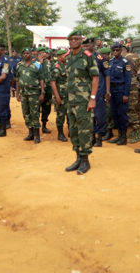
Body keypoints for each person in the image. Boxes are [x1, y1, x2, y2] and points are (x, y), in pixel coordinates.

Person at [64, 30, 99, 174]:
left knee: (84, 131)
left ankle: (85, 160)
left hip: (84, 101)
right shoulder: (68, 58)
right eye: (71, 39)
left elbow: (95, 77)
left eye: (76, 38)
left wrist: (92, 99)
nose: (74, 41)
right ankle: (78, 157)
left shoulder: (87, 56)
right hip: (71, 101)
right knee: (73, 131)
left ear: (81, 40)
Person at [82, 38, 111, 147]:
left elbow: (107, 74)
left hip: (99, 91)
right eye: (84, 46)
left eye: (87, 46)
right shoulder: (83, 57)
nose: (85, 48)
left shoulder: (99, 58)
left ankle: (100, 137)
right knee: (90, 115)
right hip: (86, 91)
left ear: (93, 46)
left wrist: (107, 91)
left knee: (99, 115)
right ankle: (92, 136)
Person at [16, 48, 45, 144]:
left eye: (27, 53)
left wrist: (42, 92)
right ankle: (30, 133)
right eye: (24, 53)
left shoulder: (37, 65)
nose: (26, 55)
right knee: (26, 113)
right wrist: (17, 93)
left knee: (35, 113)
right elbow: (17, 79)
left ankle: (37, 135)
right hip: (23, 94)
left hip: (34, 94)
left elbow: (41, 79)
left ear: (31, 54)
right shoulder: (19, 65)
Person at [108, 42, 132, 146]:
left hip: (121, 90)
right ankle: (119, 135)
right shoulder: (111, 62)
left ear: (121, 50)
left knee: (122, 114)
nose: (115, 52)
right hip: (112, 90)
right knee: (114, 114)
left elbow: (128, 79)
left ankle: (123, 136)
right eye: (113, 50)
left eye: (117, 50)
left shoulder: (125, 62)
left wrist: (126, 94)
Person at [121, 45, 140, 143]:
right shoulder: (137, 56)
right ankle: (134, 131)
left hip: (129, 84)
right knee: (136, 108)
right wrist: (139, 71)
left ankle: (137, 132)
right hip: (136, 82)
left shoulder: (124, 58)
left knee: (131, 108)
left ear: (123, 50)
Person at [50, 49, 70, 142]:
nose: (65, 57)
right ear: (58, 57)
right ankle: (60, 133)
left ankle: (71, 131)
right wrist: (57, 96)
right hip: (61, 95)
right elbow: (53, 82)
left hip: (69, 94)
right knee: (61, 114)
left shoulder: (67, 65)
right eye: (63, 55)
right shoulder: (56, 67)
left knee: (70, 114)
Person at [37, 47, 52, 134]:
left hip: (48, 90)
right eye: (41, 52)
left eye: (44, 52)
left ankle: (44, 126)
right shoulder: (34, 63)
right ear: (37, 53)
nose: (43, 54)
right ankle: (36, 127)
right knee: (36, 109)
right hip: (37, 90)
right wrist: (40, 63)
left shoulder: (49, 63)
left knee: (46, 108)